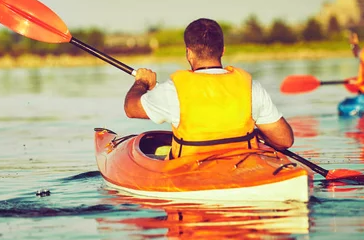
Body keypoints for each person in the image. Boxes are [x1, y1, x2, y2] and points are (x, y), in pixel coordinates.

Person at [123, 18, 294, 159]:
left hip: (189, 172)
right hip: (241, 167)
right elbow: (284, 140)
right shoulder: (251, 87)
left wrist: (142, 82)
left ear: (189, 53)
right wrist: (256, 134)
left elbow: (131, 109)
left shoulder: (172, 90)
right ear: (222, 50)